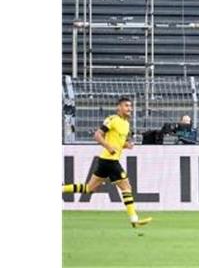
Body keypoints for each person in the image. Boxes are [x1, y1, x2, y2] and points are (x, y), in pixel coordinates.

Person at [61, 96, 152, 229]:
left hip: (106, 161)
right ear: (119, 107)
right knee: (126, 188)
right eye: (126, 106)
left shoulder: (126, 124)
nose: (129, 109)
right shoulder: (112, 120)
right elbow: (97, 135)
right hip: (110, 161)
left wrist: (126, 145)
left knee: (89, 188)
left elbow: (118, 142)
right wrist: (108, 147)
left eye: (130, 106)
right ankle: (134, 219)